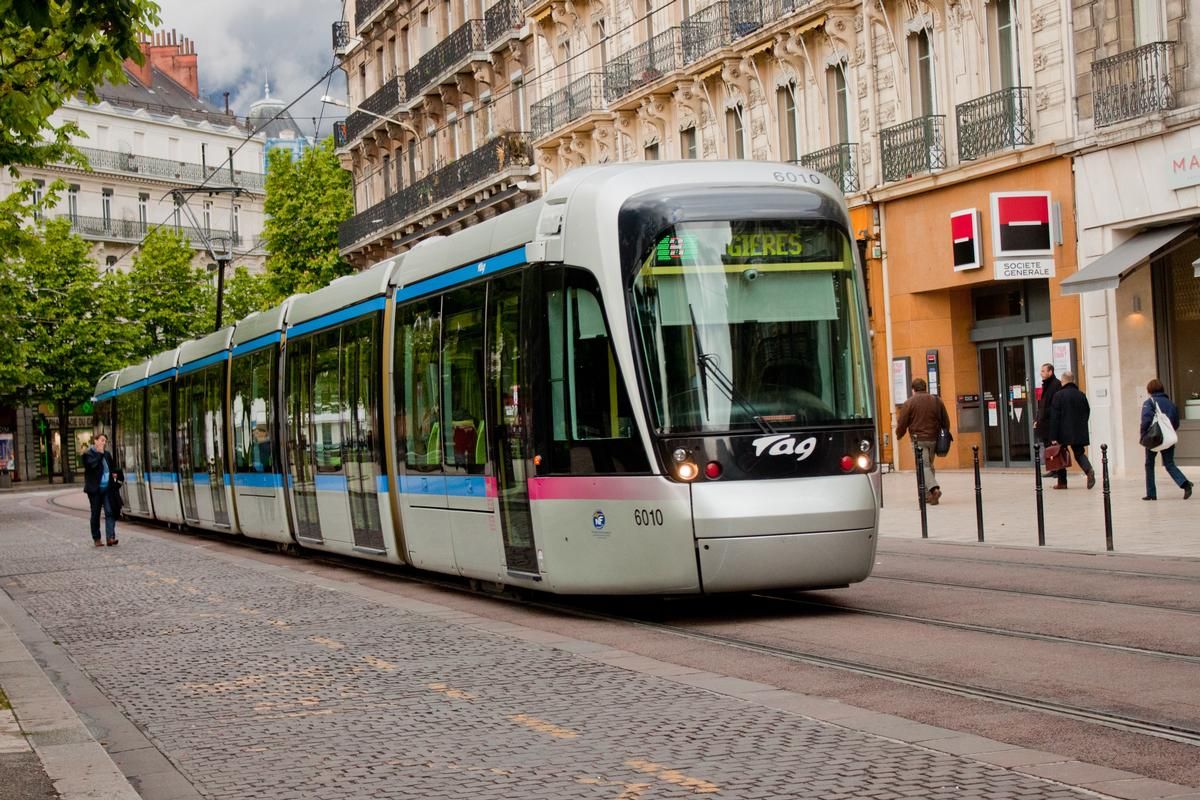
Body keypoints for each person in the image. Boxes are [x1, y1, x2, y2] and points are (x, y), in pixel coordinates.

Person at [896, 377, 950, 505]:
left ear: (913, 389)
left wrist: (899, 434)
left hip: (918, 440)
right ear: (925, 388)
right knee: (929, 466)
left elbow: (902, 422)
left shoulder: (909, 402)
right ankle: (928, 496)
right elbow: (945, 421)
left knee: (923, 466)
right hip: (933, 439)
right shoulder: (936, 401)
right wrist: (944, 434)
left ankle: (934, 489)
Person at [1140, 378, 1194, 501]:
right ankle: (1185, 484)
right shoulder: (1171, 403)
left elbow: (1145, 421)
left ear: (1150, 390)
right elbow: (1176, 422)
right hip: (1168, 437)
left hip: (1153, 438)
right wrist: (1169, 431)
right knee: (1169, 464)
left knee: (1149, 464)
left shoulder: (1149, 403)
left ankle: (1151, 493)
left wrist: (1143, 435)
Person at [1048, 371, 1095, 490]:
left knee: (1060, 454)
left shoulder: (1058, 395)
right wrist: (1081, 424)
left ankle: (1062, 482)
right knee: (1079, 453)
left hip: (1062, 431)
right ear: (1073, 381)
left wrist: (1053, 436)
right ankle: (1089, 470)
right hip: (1078, 429)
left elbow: (1055, 417)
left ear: (1063, 381)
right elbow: (1087, 411)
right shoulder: (1081, 394)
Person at [81, 433, 121, 546]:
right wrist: (99, 454)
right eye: (102, 440)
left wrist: (116, 476)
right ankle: (97, 538)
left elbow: (113, 468)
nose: (104, 443)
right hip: (95, 490)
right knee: (96, 514)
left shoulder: (107, 455)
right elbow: (92, 466)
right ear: (96, 441)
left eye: (105, 441)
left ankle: (110, 537)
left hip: (107, 489)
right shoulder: (88, 454)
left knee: (110, 512)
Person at [1035, 363, 1062, 478]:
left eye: (1043, 371)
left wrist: (1044, 414)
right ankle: (1053, 468)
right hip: (1044, 421)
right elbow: (1042, 404)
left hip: (1051, 421)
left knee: (1054, 446)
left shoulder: (1055, 384)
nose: (1041, 373)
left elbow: (1054, 405)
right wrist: (1037, 418)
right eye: (1041, 371)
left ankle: (1059, 470)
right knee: (1047, 446)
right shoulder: (1045, 385)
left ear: (1050, 372)